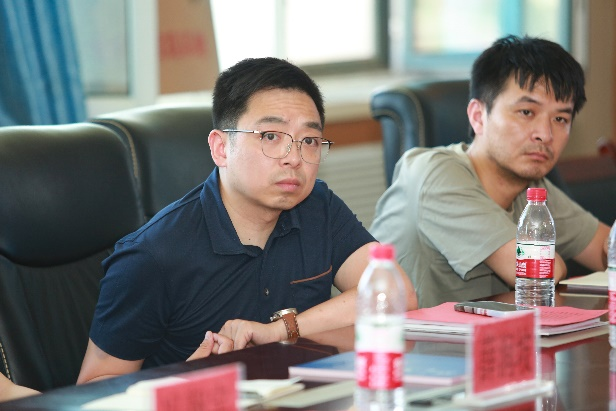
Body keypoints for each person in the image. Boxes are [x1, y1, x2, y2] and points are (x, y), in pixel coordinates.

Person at [77, 57, 418, 384]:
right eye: (271, 136)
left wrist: (278, 331)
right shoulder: (152, 255)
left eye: (309, 141)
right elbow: (93, 387)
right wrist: (185, 377)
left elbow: (396, 294)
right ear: (221, 148)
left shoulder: (318, 206)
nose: (294, 158)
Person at [370, 35, 610, 308]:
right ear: (478, 116)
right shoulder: (434, 173)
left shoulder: (531, 189)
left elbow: (607, 248)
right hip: (392, 334)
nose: (545, 134)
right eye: (526, 112)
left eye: (560, 118)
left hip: (483, 334)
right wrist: (559, 264)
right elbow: (539, 274)